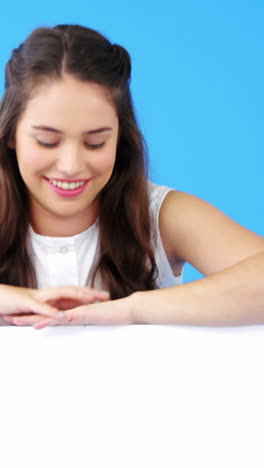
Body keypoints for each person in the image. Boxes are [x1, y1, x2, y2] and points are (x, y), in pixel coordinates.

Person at [0, 24, 263, 330]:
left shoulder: (159, 215)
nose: (71, 166)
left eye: (95, 142)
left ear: (120, 138)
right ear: (12, 135)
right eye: (47, 141)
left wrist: (133, 309)